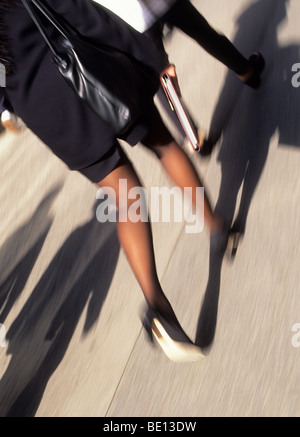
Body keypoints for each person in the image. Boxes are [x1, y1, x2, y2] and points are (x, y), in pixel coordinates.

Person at [0, 0, 223, 362]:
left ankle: (158, 306)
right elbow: (81, 14)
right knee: (163, 144)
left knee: (126, 195)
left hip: (49, 114)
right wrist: (149, 56)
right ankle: (216, 228)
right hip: (94, 74)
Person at [94, 0, 265, 152]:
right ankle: (247, 72)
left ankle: (191, 135)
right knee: (203, 32)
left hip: (126, 15)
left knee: (160, 77)